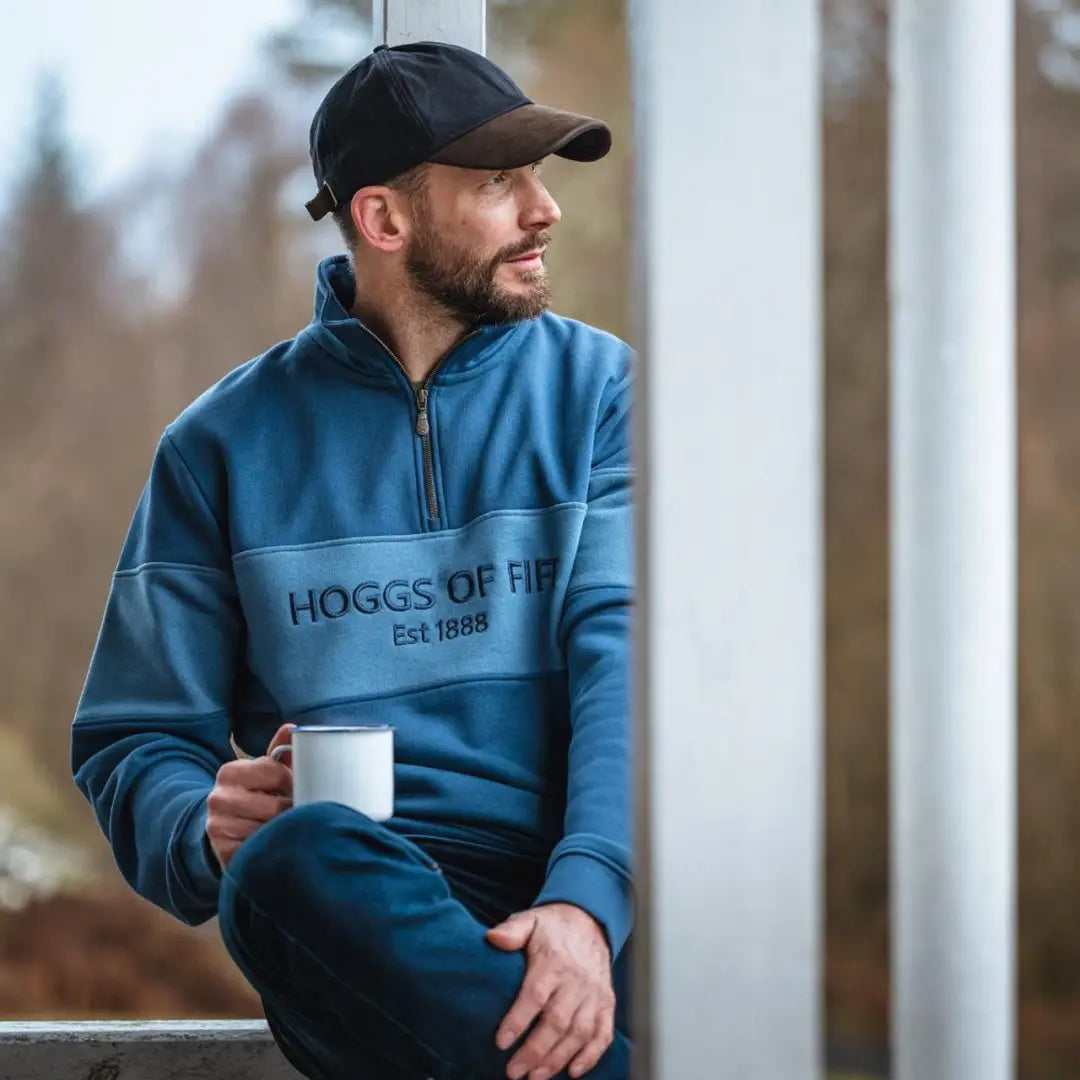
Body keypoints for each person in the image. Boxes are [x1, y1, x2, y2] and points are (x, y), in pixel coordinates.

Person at [71, 41, 633, 1080]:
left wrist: (585, 902)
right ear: (383, 219)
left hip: (572, 880)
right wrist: (202, 819)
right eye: (501, 181)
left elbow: (630, 668)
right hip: (353, 909)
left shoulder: (604, 394)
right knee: (289, 866)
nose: (546, 210)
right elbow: (134, 737)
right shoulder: (217, 447)